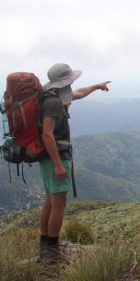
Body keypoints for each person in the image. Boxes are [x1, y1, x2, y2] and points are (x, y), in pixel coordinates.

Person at [39, 63, 110, 262]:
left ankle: (44, 245)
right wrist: (58, 164)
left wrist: (97, 86)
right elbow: (47, 134)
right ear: (65, 81)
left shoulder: (51, 97)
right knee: (58, 205)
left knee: (50, 203)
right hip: (56, 157)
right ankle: (52, 251)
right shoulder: (53, 103)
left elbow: (77, 93)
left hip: (47, 158)